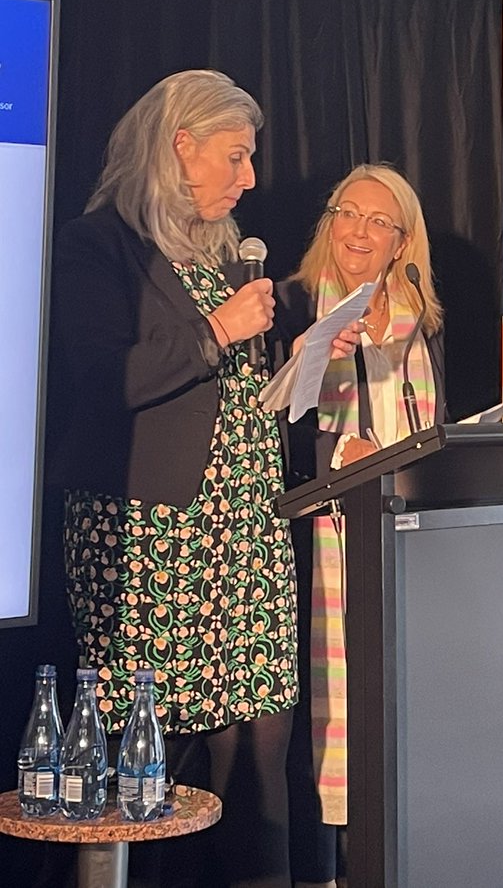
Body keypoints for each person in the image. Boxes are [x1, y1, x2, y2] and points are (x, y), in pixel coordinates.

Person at [51, 69, 357, 888]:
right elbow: (98, 381)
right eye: (235, 156)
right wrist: (220, 331)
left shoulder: (225, 255)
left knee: (260, 740)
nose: (249, 178)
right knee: (158, 746)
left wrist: (304, 359)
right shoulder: (98, 245)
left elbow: (234, 395)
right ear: (179, 147)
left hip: (246, 529)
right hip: (151, 539)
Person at [272, 163, 445, 887]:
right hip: (317, 543)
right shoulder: (291, 305)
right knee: (328, 710)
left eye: (379, 222)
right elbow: (272, 431)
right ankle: (325, 867)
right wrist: (344, 450)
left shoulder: (423, 322)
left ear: (403, 242)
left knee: (401, 702)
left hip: (405, 537)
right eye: (349, 213)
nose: (359, 232)